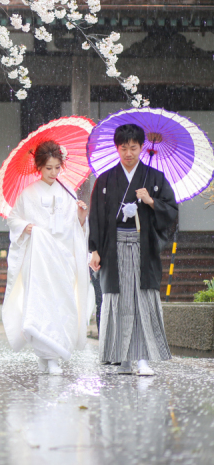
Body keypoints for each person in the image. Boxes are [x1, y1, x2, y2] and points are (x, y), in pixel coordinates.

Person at [89, 123, 178, 376]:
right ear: (117, 148)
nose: (128, 153)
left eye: (134, 147)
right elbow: (96, 217)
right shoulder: (105, 180)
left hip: (142, 248)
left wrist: (150, 201)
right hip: (113, 248)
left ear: (142, 148)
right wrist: (94, 250)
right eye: (123, 148)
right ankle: (122, 358)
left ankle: (142, 359)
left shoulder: (155, 178)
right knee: (118, 301)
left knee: (142, 301)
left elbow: (171, 211)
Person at [3, 140, 91, 375]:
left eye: (56, 168)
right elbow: (13, 219)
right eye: (48, 168)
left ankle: (53, 350)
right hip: (39, 258)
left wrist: (81, 217)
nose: (53, 173)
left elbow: (76, 228)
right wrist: (27, 226)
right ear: (39, 168)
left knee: (63, 302)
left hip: (63, 257)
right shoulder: (28, 194)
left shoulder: (69, 193)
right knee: (41, 302)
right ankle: (49, 356)